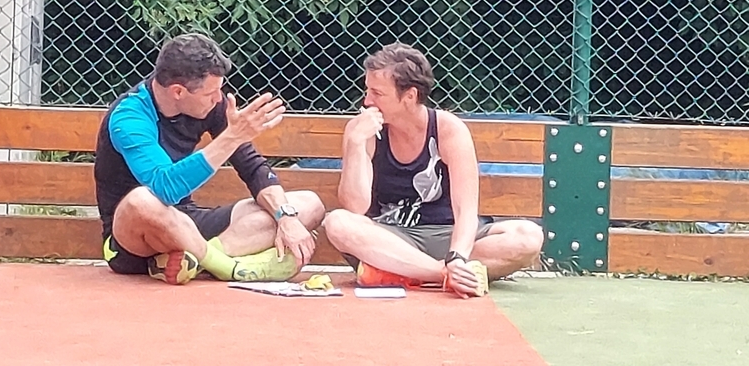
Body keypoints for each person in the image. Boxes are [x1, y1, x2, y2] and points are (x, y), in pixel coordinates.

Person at [94, 33, 325, 285]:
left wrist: (286, 218)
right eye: (211, 93)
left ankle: (192, 262)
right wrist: (231, 138)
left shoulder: (210, 105)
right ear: (178, 91)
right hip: (135, 239)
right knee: (141, 200)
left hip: (188, 221)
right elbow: (164, 187)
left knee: (308, 205)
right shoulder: (129, 117)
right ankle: (227, 267)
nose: (218, 98)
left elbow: (253, 168)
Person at [323, 43, 544, 298]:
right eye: (367, 90)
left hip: (445, 234)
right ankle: (441, 275)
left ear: (409, 96)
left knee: (528, 236)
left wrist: (457, 255)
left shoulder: (448, 129)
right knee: (338, 222)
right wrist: (355, 144)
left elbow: (465, 210)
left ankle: (402, 274)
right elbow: (355, 207)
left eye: (377, 93)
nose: (367, 101)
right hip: (391, 239)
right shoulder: (363, 131)